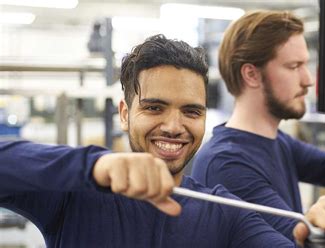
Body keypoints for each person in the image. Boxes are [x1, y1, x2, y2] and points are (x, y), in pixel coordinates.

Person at [0, 35, 295, 247]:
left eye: (191, 111)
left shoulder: (225, 213)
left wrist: (324, 228)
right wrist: (93, 166)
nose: (173, 127)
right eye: (154, 108)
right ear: (125, 114)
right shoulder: (75, 195)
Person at [191, 10, 325, 242]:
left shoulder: (277, 141)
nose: (308, 80)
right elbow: (300, 239)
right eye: (294, 66)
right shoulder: (226, 163)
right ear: (251, 74)